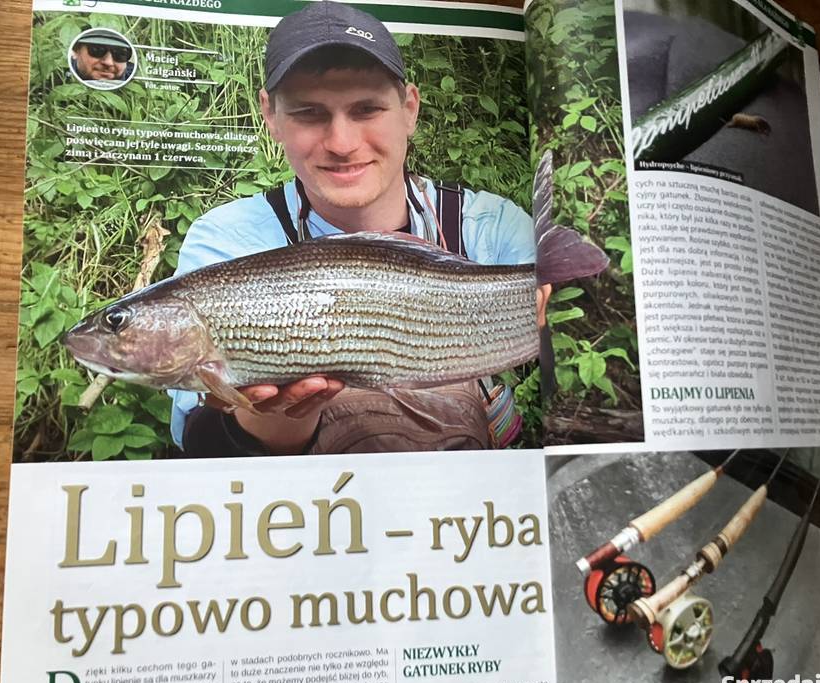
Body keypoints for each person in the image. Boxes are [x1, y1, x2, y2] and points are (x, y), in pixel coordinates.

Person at [171, 0, 548, 456]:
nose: (342, 143)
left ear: (409, 109)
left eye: (367, 109)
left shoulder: (493, 228)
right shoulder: (228, 242)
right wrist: (276, 417)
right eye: (309, 113)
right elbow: (201, 445)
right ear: (271, 116)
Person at [71, 29, 135, 88]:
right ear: (75, 51)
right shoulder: (65, 74)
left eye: (120, 54)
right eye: (97, 50)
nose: (108, 62)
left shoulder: (136, 79)